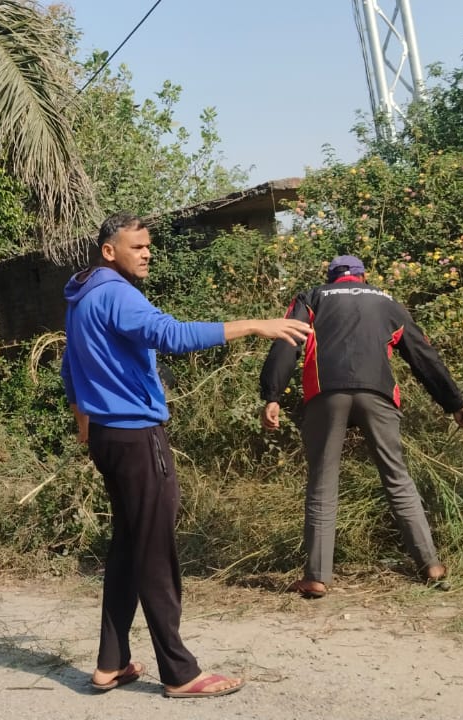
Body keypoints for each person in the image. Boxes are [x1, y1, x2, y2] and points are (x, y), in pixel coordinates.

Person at [61, 213, 310, 699]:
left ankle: (110, 663)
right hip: (136, 436)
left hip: (111, 437)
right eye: (136, 246)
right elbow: (172, 335)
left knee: (129, 547)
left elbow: (72, 366)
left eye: (148, 245)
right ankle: (180, 672)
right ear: (110, 251)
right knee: (155, 553)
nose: (147, 253)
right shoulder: (116, 293)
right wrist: (255, 325)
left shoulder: (82, 295)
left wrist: (86, 427)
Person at [259, 255, 463, 599]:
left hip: (325, 393)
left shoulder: (311, 297)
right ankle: (431, 564)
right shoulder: (386, 301)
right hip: (378, 393)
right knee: (397, 477)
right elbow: (422, 354)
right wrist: (455, 404)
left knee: (322, 482)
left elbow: (286, 342)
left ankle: (316, 576)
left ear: (331, 277)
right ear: (362, 278)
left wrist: (271, 395)